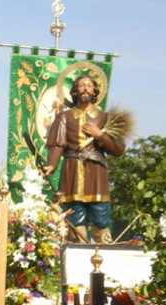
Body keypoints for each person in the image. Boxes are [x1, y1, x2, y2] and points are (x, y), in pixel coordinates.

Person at [43, 75, 125, 244]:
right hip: (72, 171)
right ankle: (77, 246)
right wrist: (51, 165)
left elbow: (118, 149)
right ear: (75, 90)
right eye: (81, 85)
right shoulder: (64, 117)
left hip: (96, 172)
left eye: (89, 85)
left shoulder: (105, 118)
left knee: (101, 214)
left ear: (95, 90)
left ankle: (103, 250)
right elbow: (57, 145)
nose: (85, 88)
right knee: (75, 215)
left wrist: (100, 135)